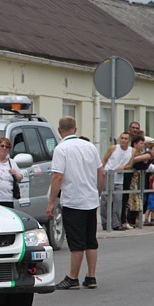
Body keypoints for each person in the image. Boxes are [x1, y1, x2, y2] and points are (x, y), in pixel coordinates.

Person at [47, 116, 104, 290]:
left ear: (59, 130)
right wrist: (97, 192)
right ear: (76, 129)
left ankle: (73, 277)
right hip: (90, 199)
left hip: (73, 200)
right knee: (90, 240)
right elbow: (101, 173)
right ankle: (91, 276)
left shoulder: (61, 149)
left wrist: (51, 202)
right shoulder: (90, 147)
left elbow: (58, 176)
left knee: (76, 241)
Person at [100, 132, 132, 231]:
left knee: (118, 201)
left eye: (126, 139)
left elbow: (131, 164)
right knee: (105, 201)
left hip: (119, 179)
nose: (123, 140)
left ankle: (116, 223)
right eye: (122, 138)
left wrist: (124, 167)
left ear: (129, 140)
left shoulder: (131, 150)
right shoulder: (113, 148)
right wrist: (102, 172)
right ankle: (105, 222)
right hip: (108, 175)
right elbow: (104, 160)